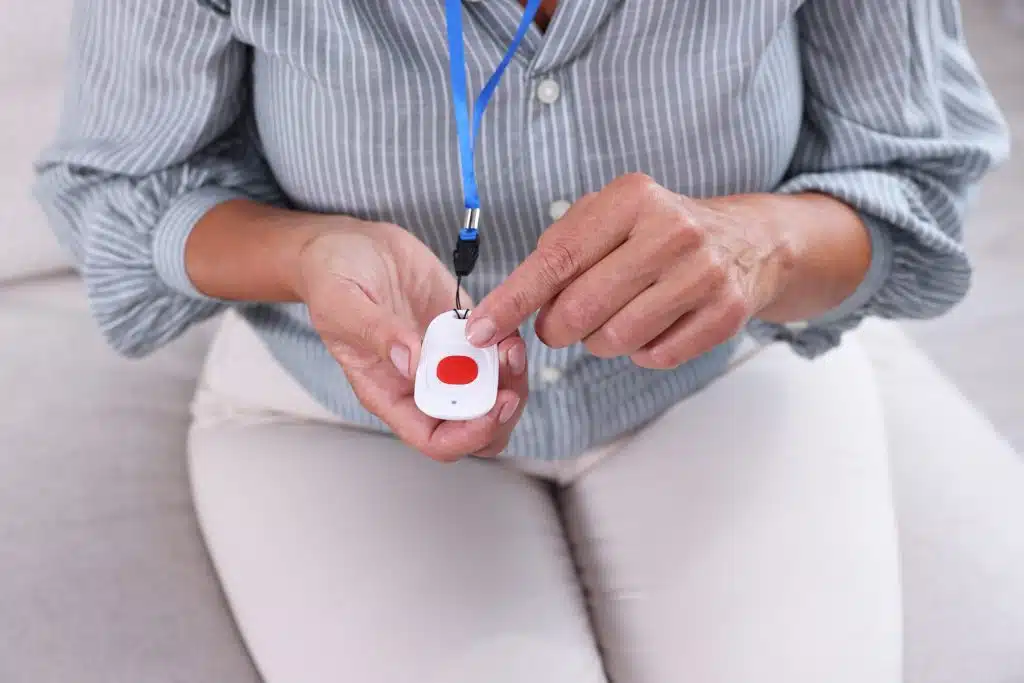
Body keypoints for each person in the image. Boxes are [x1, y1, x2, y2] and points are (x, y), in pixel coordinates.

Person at [34, 0, 1008, 681]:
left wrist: (760, 243)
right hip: (338, 417)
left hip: (721, 373)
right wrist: (304, 253)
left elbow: (910, 181)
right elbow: (121, 190)